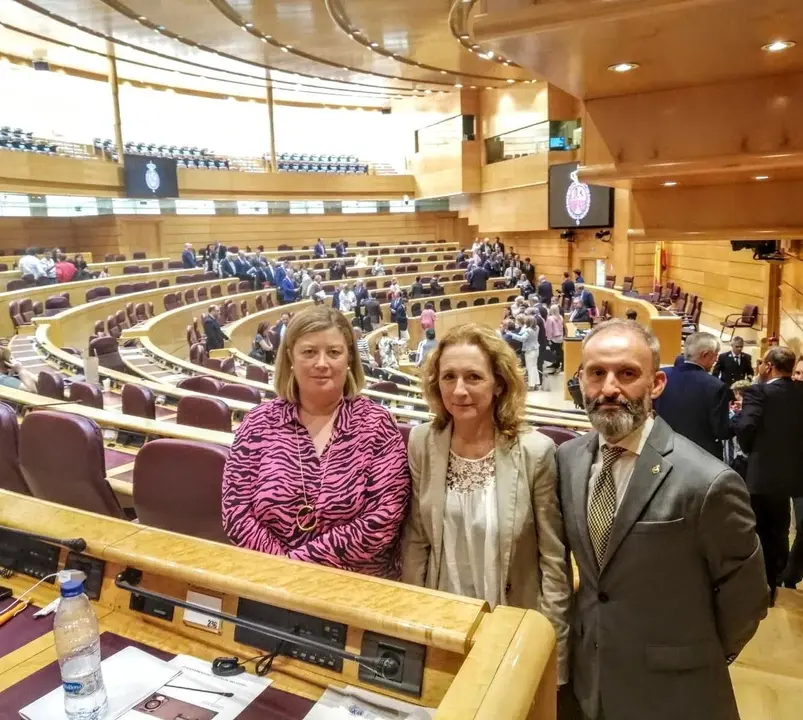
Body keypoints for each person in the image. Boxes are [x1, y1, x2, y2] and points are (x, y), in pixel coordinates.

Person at [557, 319, 767, 720]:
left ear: (656, 385)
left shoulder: (708, 481)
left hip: (676, 695)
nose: (609, 389)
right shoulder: (567, 459)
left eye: (627, 373)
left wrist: (692, 654)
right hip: (589, 684)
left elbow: (747, 595)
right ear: (580, 379)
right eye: (597, 373)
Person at [402, 323, 570, 683]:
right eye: (449, 377)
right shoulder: (422, 442)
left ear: (498, 384)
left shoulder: (535, 452)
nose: (459, 390)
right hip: (443, 622)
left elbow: (553, 563)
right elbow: (417, 539)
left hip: (510, 626)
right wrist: (411, 624)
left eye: (473, 377)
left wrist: (552, 654)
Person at [222, 306, 410, 578]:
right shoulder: (257, 423)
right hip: (268, 581)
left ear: (349, 359)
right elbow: (236, 512)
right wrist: (283, 569)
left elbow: (384, 518)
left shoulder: (377, 424)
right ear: (290, 357)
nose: (322, 363)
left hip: (356, 587)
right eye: (309, 352)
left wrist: (298, 565)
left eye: (334, 352)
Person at [734, 346, 803, 602]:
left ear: (769, 366)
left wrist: (751, 451)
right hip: (793, 475)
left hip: (762, 475)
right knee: (781, 529)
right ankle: (776, 581)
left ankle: (760, 586)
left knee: (758, 529)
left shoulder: (759, 391)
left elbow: (746, 426)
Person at [654, 331, 730, 459]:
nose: (715, 362)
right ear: (705, 355)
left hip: (661, 451)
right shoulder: (716, 386)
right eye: (715, 357)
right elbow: (722, 431)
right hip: (700, 458)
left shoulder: (661, 376)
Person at [545, 304, 564, 372]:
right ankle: (557, 364)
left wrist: (549, 339)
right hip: (560, 337)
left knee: (557, 352)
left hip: (554, 338)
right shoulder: (561, 317)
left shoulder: (550, 318)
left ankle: (562, 365)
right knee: (559, 351)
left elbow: (549, 330)